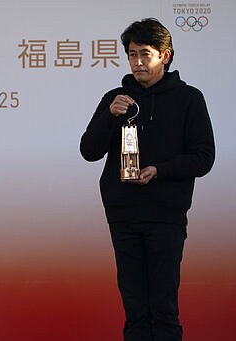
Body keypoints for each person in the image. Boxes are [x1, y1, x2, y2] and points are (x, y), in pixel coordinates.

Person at [80, 18, 215, 340]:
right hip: (123, 214)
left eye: (145, 54)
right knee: (134, 306)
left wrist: (160, 170)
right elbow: (89, 151)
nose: (137, 62)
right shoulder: (116, 98)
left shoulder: (189, 98)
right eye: (131, 54)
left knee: (164, 305)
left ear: (164, 56)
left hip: (165, 215)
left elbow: (203, 157)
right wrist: (109, 117)